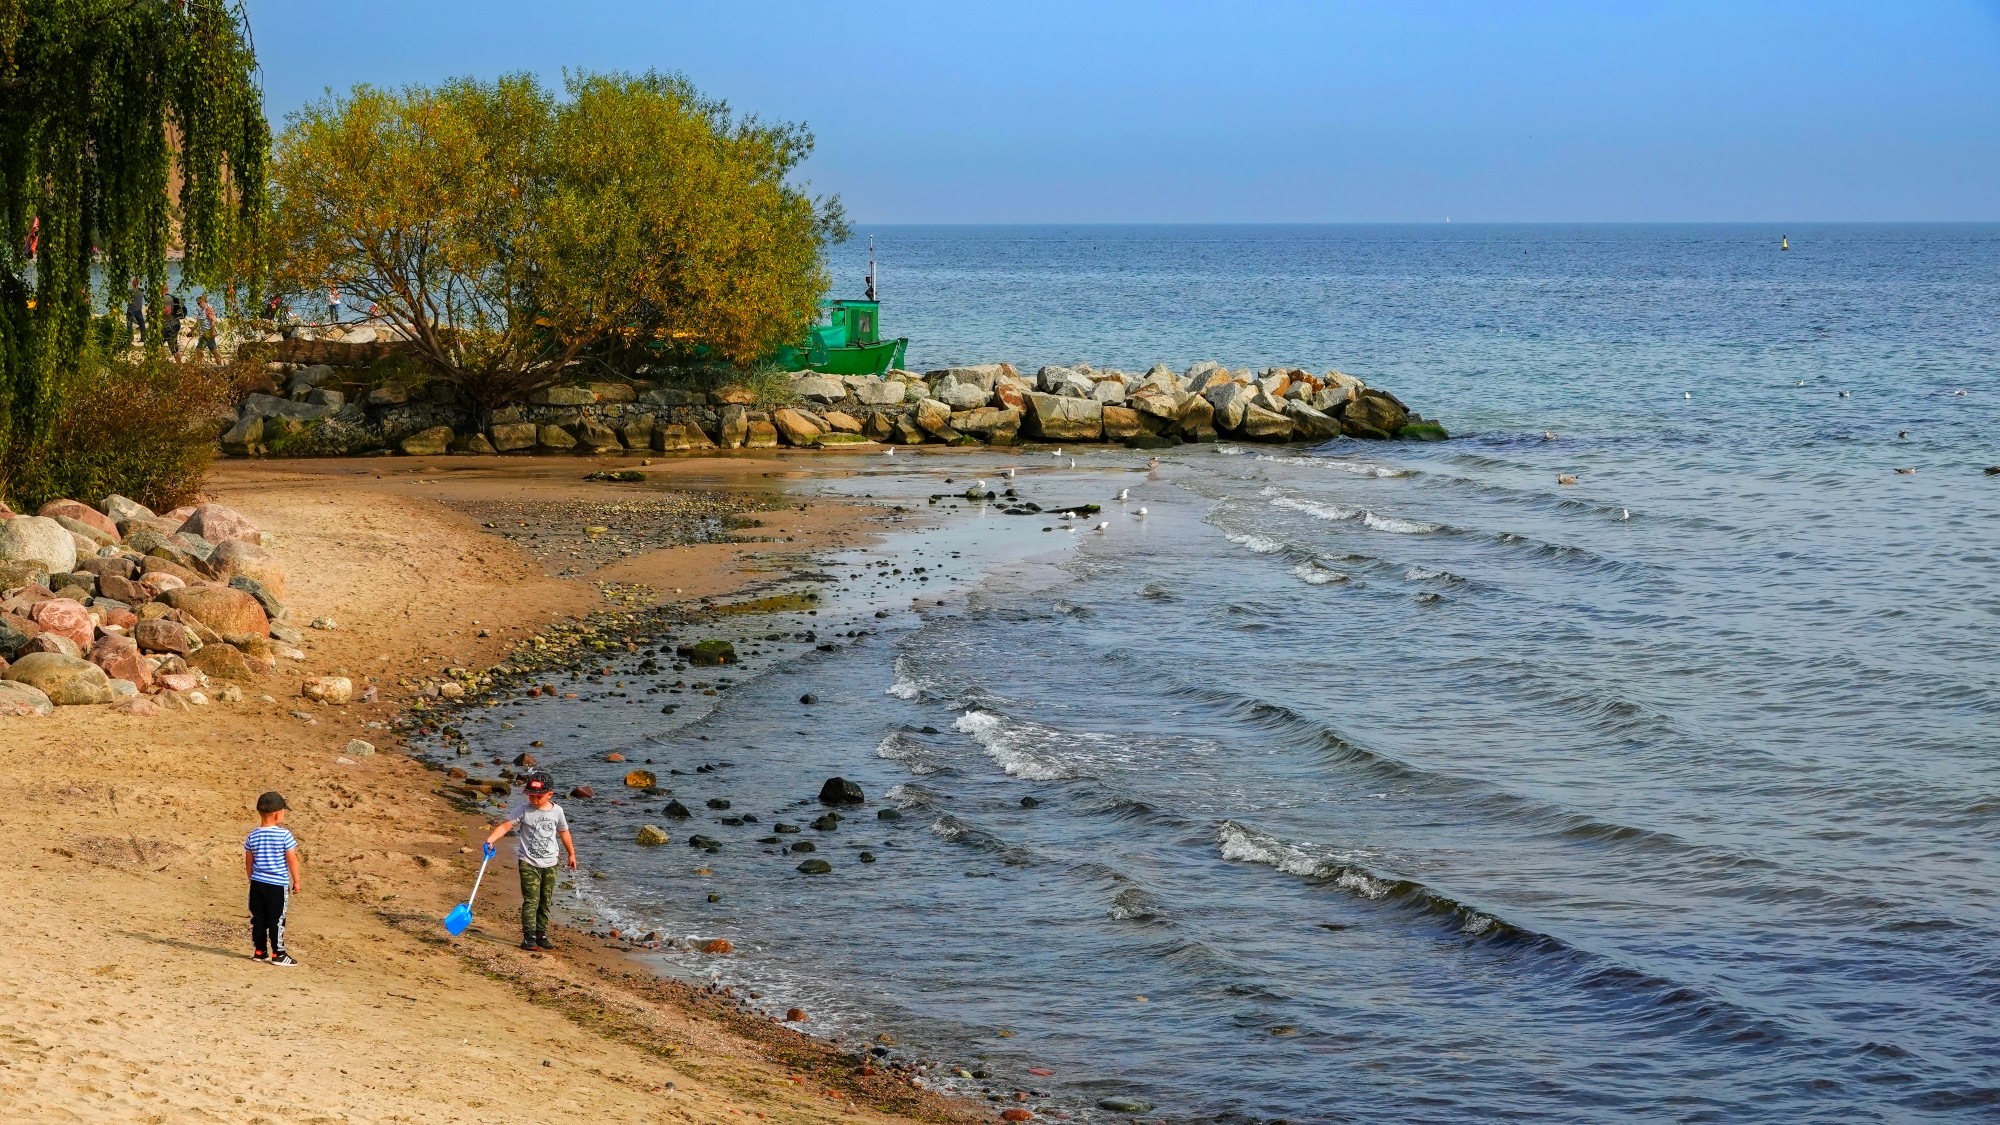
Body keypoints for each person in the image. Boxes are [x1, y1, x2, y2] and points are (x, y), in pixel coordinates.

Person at [482, 772, 576, 951]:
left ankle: (541, 934)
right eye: (530, 795)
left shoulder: (557, 811)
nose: (534, 800)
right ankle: (529, 937)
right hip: (528, 861)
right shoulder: (524, 810)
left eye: (538, 796)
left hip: (550, 863)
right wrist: (490, 840)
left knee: (545, 900)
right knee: (531, 899)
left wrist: (571, 854)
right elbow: (506, 825)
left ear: (550, 794)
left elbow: (564, 832)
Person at [244, 791, 302, 965]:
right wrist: (296, 880)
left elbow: (248, 861)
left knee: (259, 918)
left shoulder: (253, 835)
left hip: (257, 883)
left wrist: (251, 878)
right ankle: (279, 953)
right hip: (277, 885)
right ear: (278, 814)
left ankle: (260, 950)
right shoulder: (284, 835)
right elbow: (291, 859)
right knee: (277, 919)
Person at [195, 294, 218, 360]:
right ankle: (199, 364)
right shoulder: (201, 309)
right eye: (197, 303)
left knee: (212, 351)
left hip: (208, 333)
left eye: (199, 303)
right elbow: (199, 321)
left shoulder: (208, 309)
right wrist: (193, 330)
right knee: (199, 350)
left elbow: (213, 320)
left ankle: (221, 365)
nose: (198, 305)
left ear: (204, 301)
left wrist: (213, 331)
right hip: (204, 334)